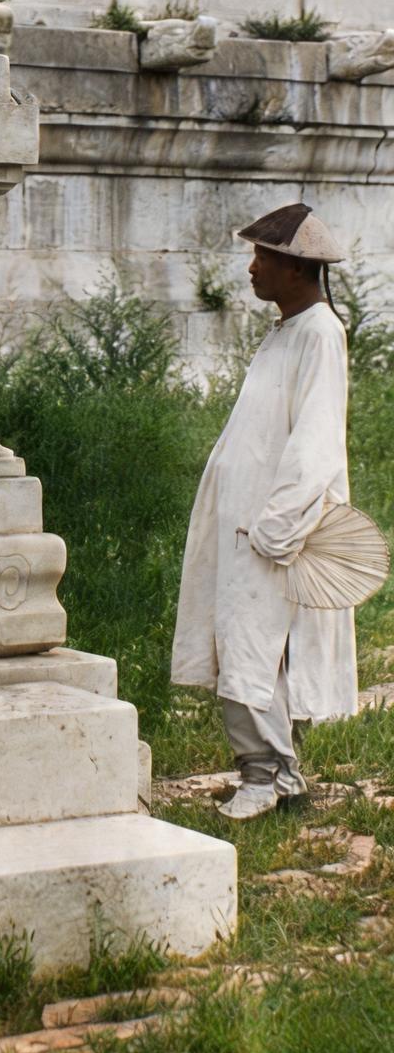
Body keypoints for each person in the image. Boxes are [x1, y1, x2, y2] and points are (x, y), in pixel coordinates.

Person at [171, 202, 357, 821]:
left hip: (277, 527)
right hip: (249, 520)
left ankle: (269, 776)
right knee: (248, 639)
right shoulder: (286, 331)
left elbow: (317, 441)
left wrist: (279, 525)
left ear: (297, 269)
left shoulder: (321, 334)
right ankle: (277, 775)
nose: (252, 269)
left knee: (259, 641)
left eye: (263, 257)